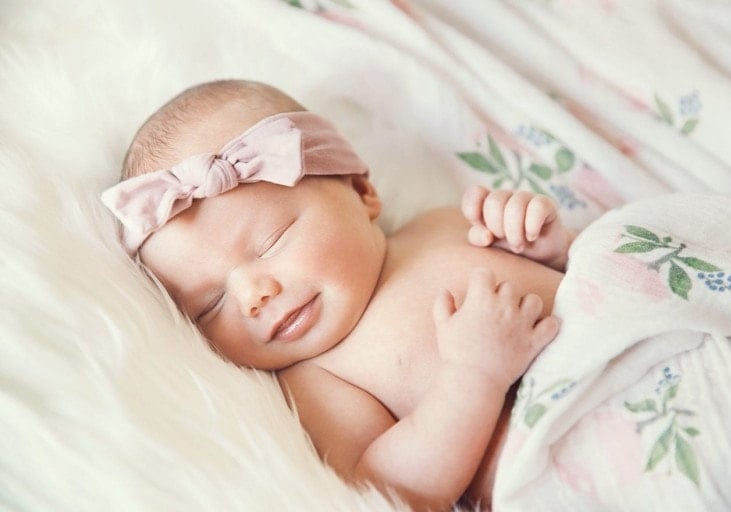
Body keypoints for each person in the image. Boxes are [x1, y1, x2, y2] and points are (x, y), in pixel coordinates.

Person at [101, 79, 575, 511]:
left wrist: (549, 244)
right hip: (580, 447)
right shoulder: (319, 381)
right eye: (210, 305)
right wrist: (475, 377)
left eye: (272, 241)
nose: (253, 297)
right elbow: (391, 490)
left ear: (361, 190)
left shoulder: (443, 223)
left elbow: (578, 275)